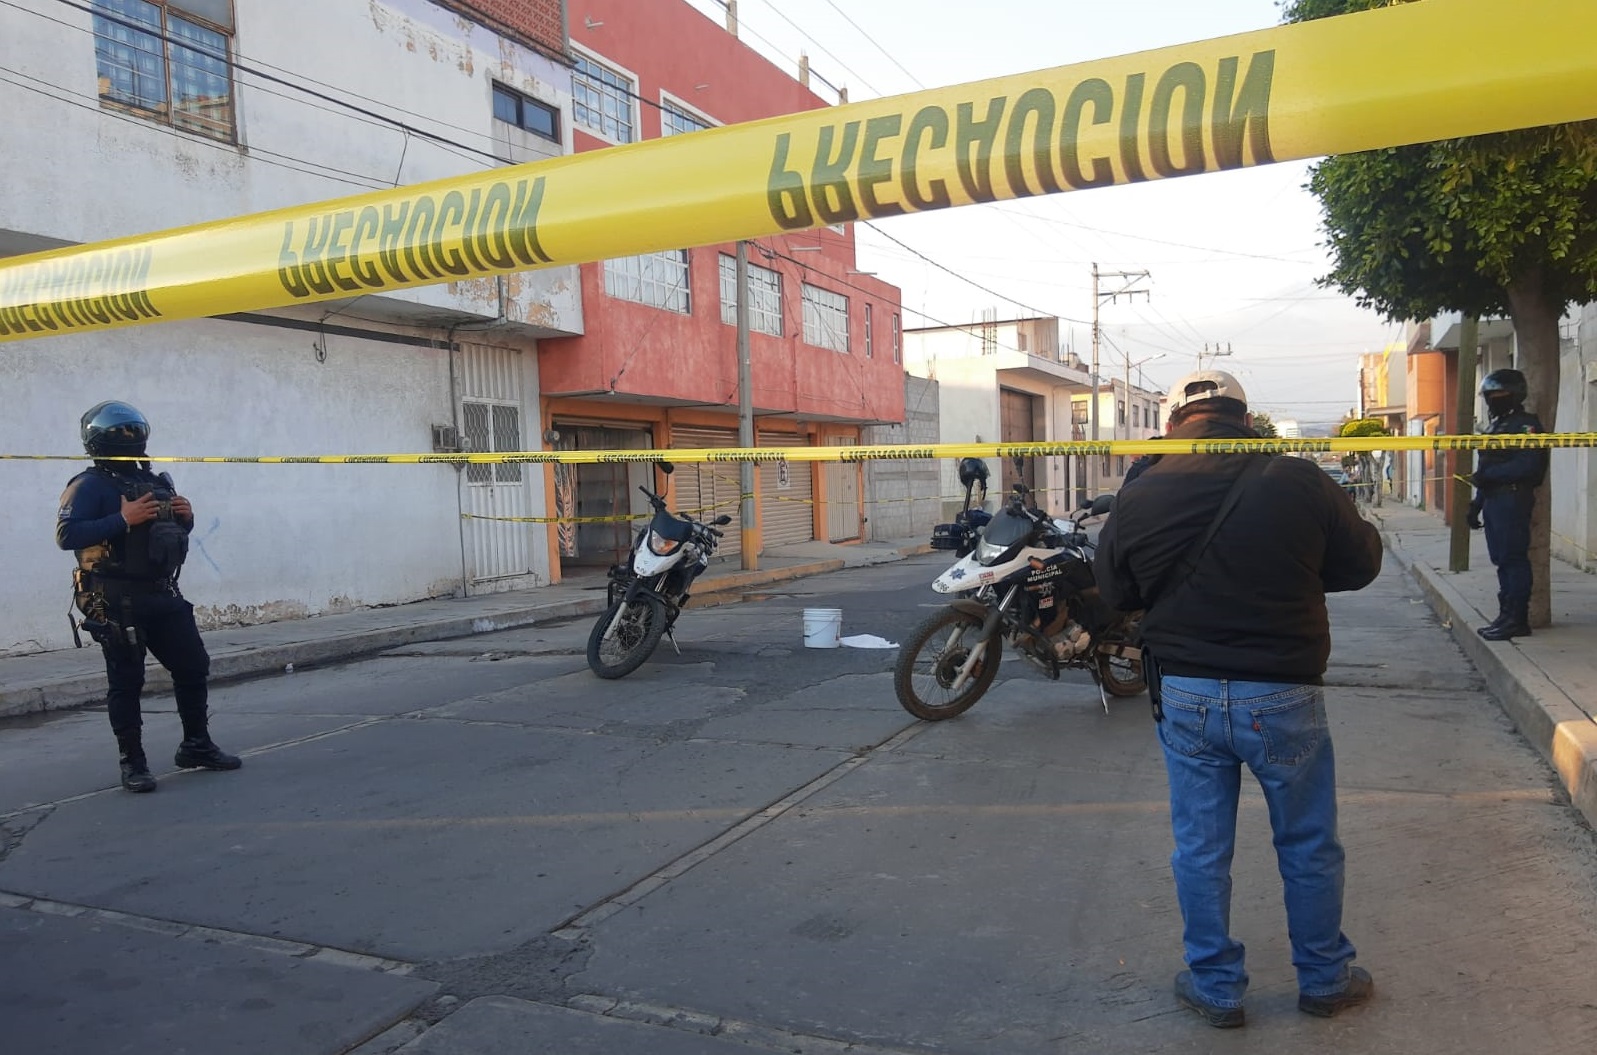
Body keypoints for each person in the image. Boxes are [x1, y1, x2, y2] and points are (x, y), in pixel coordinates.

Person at [1093, 370, 1383, 1028]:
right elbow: (1359, 563)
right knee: (1309, 843)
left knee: (1199, 848)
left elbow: (1112, 591)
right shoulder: (1297, 478)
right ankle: (1323, 978)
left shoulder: (1141, 490)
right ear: (1245, 420)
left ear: (1171, 425)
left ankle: (1216, 985)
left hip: (1188, 693)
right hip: (1282, 691)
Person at [56, 401, 240, 793]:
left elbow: (166, 540)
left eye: (134, 433)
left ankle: (196, 745)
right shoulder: (87, 486)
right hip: (115, 598)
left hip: (162, 593)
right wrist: (123, 519)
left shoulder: (156, 481)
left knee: (192, 667)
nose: (130, 440)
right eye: (122, 434)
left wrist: (185, 518)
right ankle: (133, 764)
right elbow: (66, 536)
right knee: (127, 681)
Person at [1466, 369, 1548, 641]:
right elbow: (1485, 467)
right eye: (1489, 396)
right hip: (1493, 500)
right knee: (1501, 560)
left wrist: (1488, 477)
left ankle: (1517, 618)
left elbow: (1528, 465)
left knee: (1513, 560)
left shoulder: (1526, 425)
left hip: (1513, 498)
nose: (1492, 400)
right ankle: (1505, 615)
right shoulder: (1496, 426)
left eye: (1498, 395)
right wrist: (1476, 504)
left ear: (1514, 395)